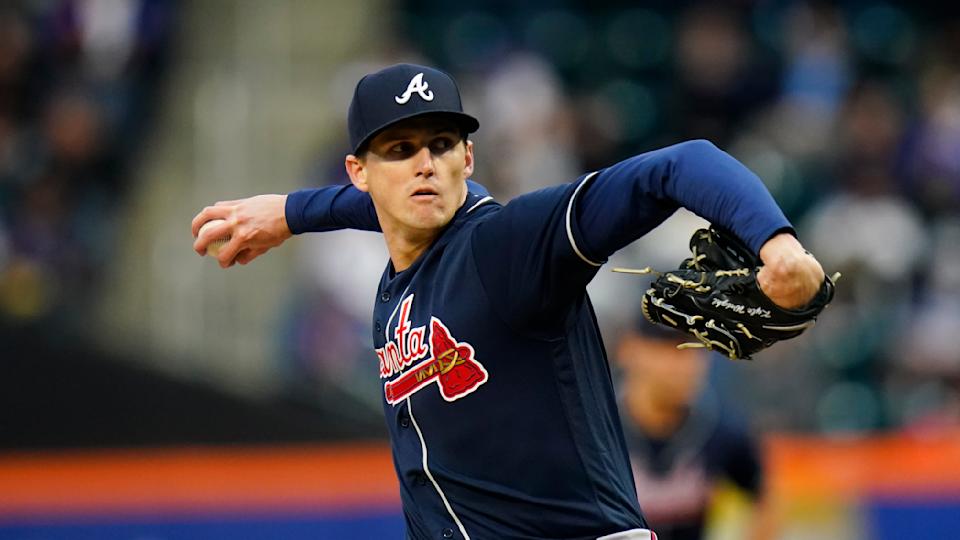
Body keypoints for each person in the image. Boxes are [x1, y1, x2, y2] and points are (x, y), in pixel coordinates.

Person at [191, 63, 825, 540]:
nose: (425, 165)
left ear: (467, 156)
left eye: (441, 145)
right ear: (357, 171)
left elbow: (681, 164)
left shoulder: (507, 246)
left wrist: (778, 245)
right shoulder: (405, 266)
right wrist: (292, 212)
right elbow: (392, 206)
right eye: (400, 149)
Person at [617, 320, 774, 540]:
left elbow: (765, 498)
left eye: (697, 349)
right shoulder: (595, 430)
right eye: (672, 347)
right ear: (630, 348)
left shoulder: (719, 428)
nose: (687, 364)